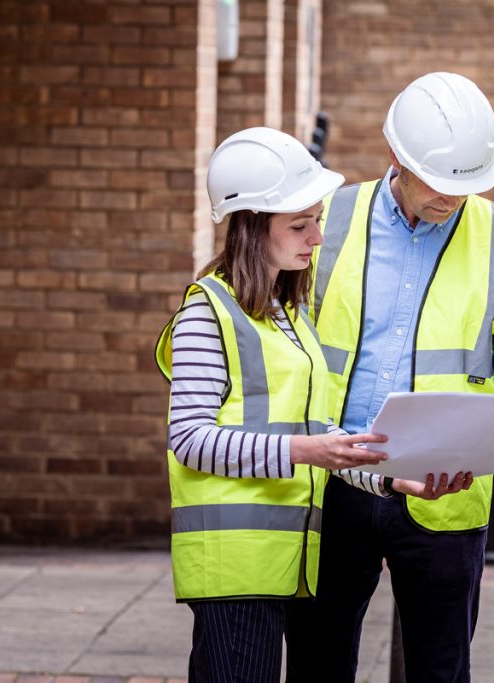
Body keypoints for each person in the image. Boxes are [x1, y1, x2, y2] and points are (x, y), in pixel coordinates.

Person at [154, 127, 469, 682]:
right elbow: (189, 439)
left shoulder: (286, 314)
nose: (318, 238)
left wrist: (393, 480)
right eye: (300, 225)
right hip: (235, 565)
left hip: (284, 563)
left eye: (318, 220)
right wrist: (307, 448)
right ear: (252, 225)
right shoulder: (208, 312)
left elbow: (318, 436)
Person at [285, 72, 494, 682]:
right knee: (317, 663)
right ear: (396, 157)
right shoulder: (326, 219)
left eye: (464, 187)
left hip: (445, 489)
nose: (451, 199)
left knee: (439, 671)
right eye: (438, 184)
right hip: (331, 475)